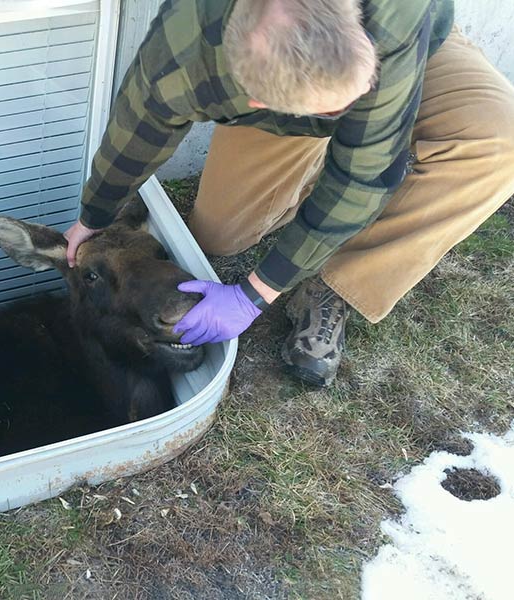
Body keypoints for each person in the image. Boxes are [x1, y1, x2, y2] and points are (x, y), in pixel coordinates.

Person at [64, 0, 514, 386]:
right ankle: (308, 173)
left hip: (408, 52)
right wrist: (95, 214)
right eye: (334, 111)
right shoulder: (184, 53)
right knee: (221, 235)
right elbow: (138, 127)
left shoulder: (392, 19)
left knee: (498, 143)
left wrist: (254, 294)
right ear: (253, 99)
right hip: (282, 79)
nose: (350, 115)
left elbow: (364, 175)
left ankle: (335, 285)